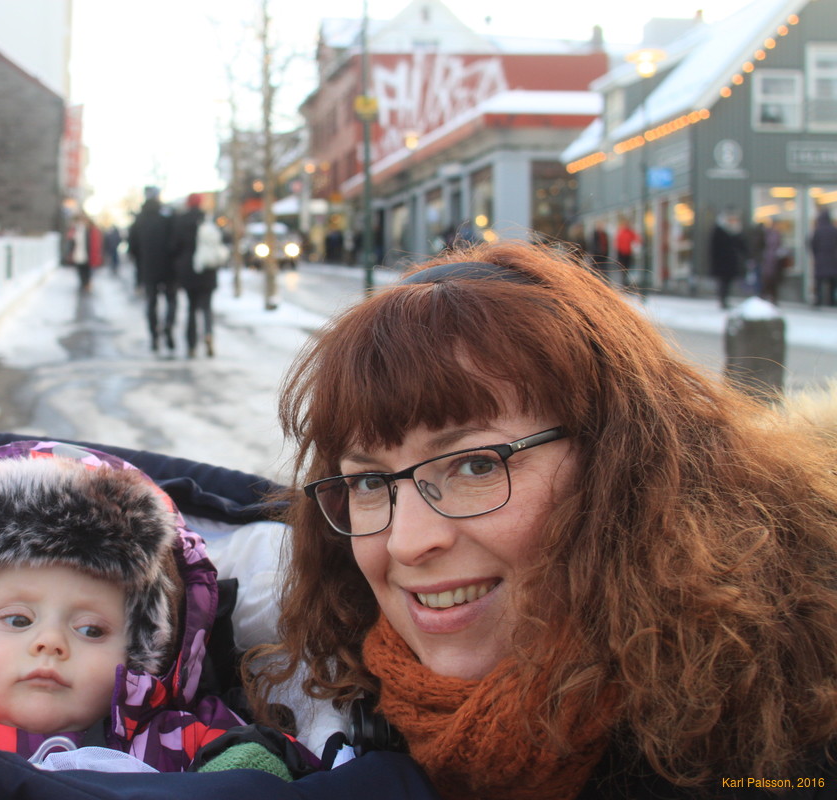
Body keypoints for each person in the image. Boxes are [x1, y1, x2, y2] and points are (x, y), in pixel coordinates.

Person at [245, 241, 837, 798]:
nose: (408, 542)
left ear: (619, 467)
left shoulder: (790, 746)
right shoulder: (315, 716)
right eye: (371, 482)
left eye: (476, 465)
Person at [0, 440, 313, 776]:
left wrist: (243, 771)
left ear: (148, 654)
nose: (50, 643)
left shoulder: (180, 744)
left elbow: (280, 760)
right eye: (18, 620)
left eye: (91, 630)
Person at [171, 193, 226, 358]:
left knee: (191, 308)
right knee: (207, 307)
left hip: (189, 272)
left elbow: (174, 247)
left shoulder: (181, 221)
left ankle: (191, 345)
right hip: (208, 269)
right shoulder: (208, 219)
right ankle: (208, 334)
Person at [128, 186, 178, 354]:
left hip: (148, 268)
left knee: (151, 303)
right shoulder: (168, 217)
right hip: (168, 268)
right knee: (171, 300)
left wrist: (141, 264)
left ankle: (154, 336)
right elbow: (175, 242)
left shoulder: (139, 220)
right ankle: (168, 325)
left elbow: (132, 247)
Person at [709, 209, 748, 309]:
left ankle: (724, 299)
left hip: (730, 262)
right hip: (721, 262)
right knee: (723, 282)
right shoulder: (719, 231)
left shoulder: (735, 231)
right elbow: (714, 249)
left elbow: (741, 246)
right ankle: (722, 300)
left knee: (727, 282)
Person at [811, 208, 837, 307]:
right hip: (832, 259)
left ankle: (819, 300)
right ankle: (831, 301)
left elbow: (812, 244)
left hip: (820, 259)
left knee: (819, 281)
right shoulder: (833, 230)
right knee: (832, 281)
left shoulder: (818, 231)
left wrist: (816, 255)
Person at [614, 216, 639, 288]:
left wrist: (635, 245)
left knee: (627, 268)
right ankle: (623, 282)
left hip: (628, 252)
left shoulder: (630, 232)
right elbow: (617, 242)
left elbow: (636, 238)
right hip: (621, 253)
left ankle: (625, 281)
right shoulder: (621, 232)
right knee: (623, 268)